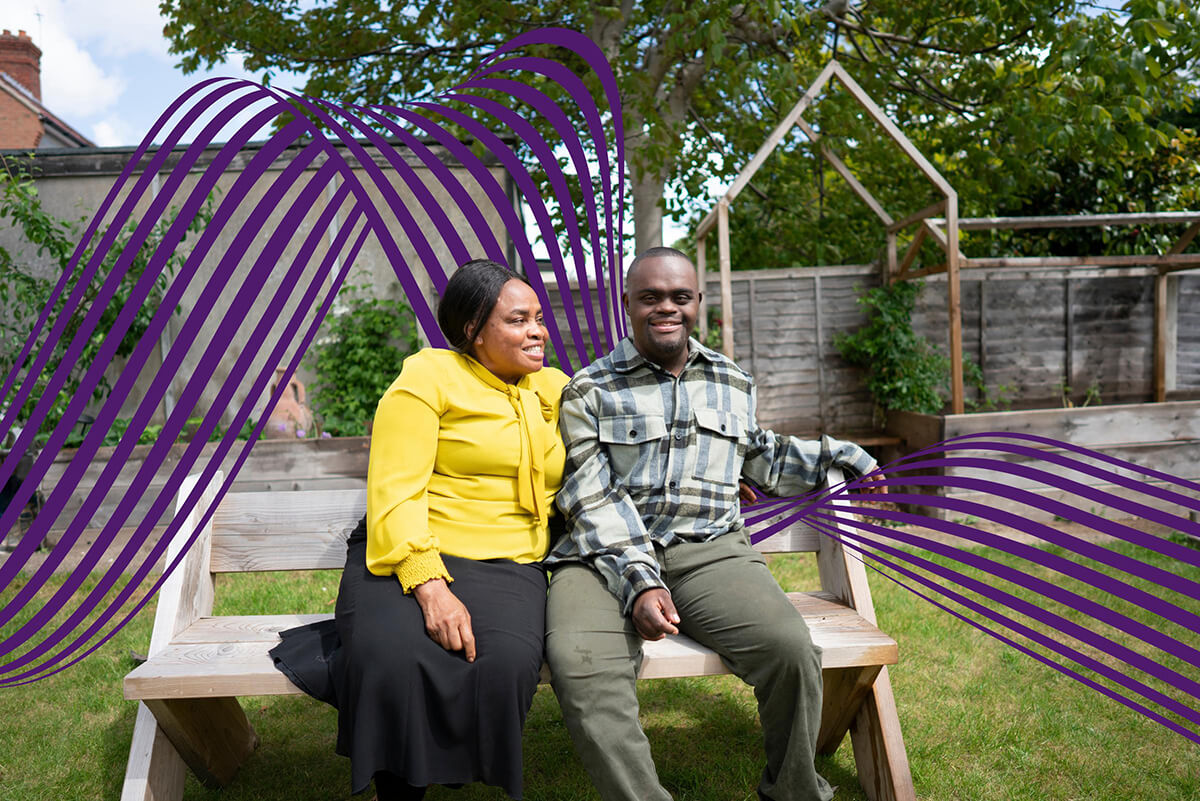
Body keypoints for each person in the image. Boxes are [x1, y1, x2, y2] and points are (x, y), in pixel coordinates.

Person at [544, 247, 887, 801]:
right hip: (600, 559)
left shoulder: (731, 380)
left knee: (789, 650)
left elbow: (762, 456)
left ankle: (794, 791)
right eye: (650, 297)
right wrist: (641, 580)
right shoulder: (589, 389)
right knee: (580, 666)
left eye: (680, 297)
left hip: (709, 550)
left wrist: (846, 457)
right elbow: (591, 499)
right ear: (627, 304)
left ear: (698, 303)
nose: (666, 308)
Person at [270, 259, 569, 801]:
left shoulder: (552, 389)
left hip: (508, 562)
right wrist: (429, 587)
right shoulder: (428, 378)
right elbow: (395, 488)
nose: (538, 332)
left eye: (539, 319)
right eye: (519, 320)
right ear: (473, 333)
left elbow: (627, 432)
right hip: (404, 549)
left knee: (501, 663)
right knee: (388, 656)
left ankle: (465, 768)